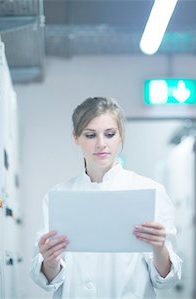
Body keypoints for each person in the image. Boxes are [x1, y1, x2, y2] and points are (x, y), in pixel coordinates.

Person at [29, 97, 182, 298]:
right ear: (76, 138)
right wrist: (49, 261)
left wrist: (159, 248)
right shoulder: (58, 196)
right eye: (90, 135)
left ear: (120, 136)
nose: (101, 144)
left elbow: (166, 279)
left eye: (109, 134)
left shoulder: (150, 191)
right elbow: (47, 280)